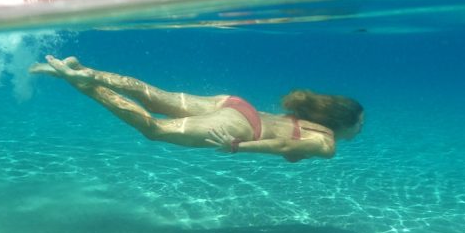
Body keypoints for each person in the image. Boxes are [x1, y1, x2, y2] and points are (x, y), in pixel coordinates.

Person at [30, 56, 364, 162]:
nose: (361, 129)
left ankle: (83, 70)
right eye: (360, 123)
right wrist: (237, 146)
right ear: (344, 122)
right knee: (154, 130)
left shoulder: (312, 118)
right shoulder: (326, 144)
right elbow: (283, 145)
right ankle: (77, 82)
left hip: (234, 103)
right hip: (241, 128)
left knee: (154, 96)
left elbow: (286, 138)